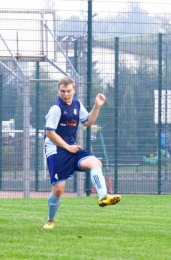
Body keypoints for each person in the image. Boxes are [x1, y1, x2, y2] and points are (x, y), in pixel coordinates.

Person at [43, 76, 121, 229]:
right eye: (62, 91)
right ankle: (50, 220)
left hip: (71, 148)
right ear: (58, 90)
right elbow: (49, 133)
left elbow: (88, 122)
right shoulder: (56, 108)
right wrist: (67, 147)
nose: (65, 94)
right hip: (56, 151)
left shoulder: (77, 104)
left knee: (95, 162)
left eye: (68, 91)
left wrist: (97, 106)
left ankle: (103, 197)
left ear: (74, 90)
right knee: (58, 190)